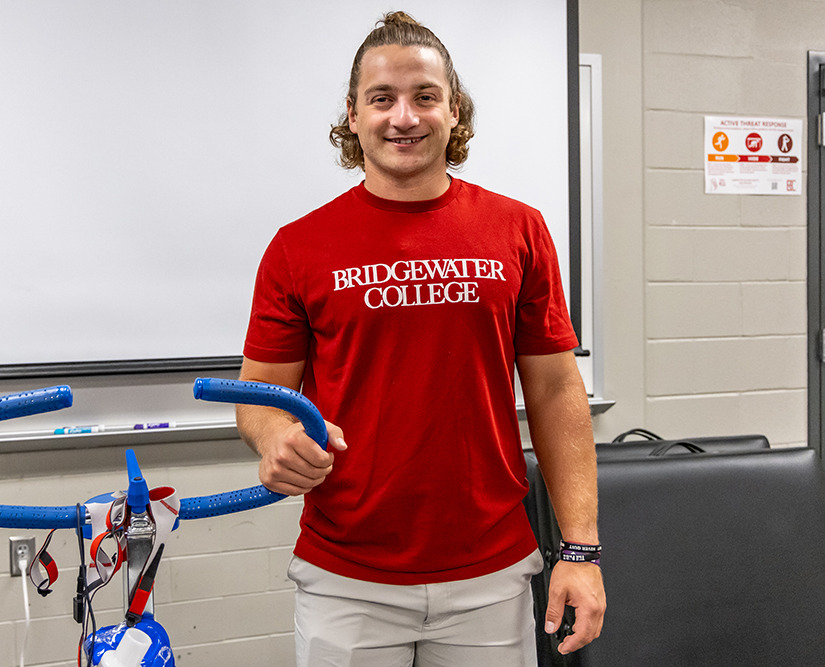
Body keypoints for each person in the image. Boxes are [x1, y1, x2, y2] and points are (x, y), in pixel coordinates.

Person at [236, 11, 605, 666]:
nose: (403, 117)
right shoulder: (298, 248)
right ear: (352, 114)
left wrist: (580, 548)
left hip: (490, 574)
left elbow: (554, 389)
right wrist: (275, 437)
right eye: (382, 98)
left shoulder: (519, 230)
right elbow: (261, 395)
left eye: (424, 96)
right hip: (346, 577)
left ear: (454, 110)